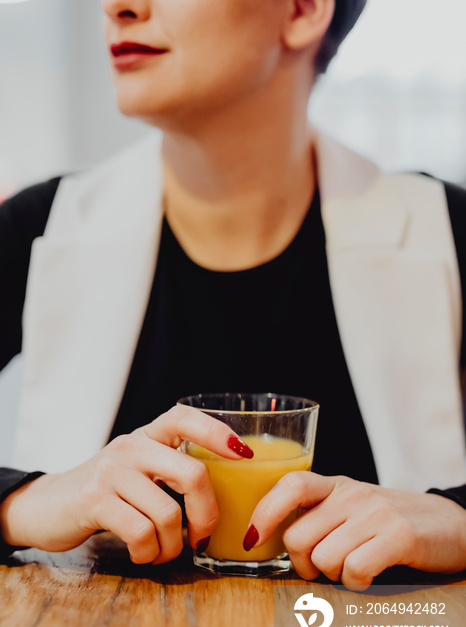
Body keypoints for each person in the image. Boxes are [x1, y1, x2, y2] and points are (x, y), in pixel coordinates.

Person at [1, 0, 466, 589]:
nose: (119, 7)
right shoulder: (37, 231)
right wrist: (24, 500)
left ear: (301, 12)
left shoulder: (447, 232)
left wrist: (457, 516)